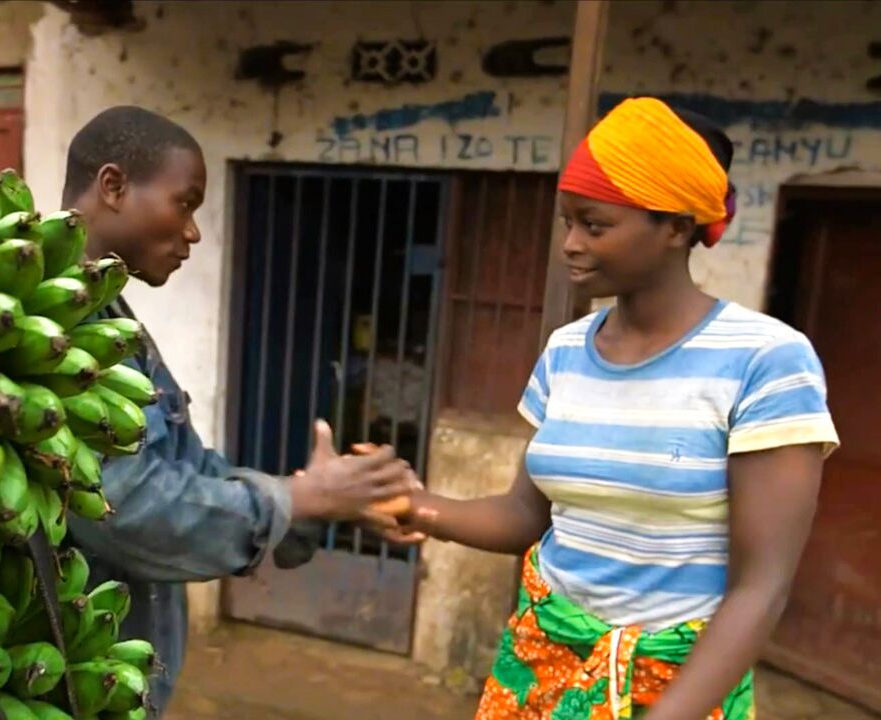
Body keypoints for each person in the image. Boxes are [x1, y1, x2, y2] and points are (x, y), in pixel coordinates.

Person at [381, 98, 839, 719]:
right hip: (539, 671)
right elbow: (525, 515)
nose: (570, 244)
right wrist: (415, 506)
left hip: (677, 689)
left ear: (676, 227)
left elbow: (761, 589)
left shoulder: (765, 359)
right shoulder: (567, 351)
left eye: (594, 226)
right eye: (567, 221)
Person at [58, 106, 415, 715]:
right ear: (113, 187)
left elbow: (186, 468)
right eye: (185, 203)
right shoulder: (55, 332)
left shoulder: (112, 319)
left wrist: (311, 495)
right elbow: (121, 506)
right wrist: (297, 501)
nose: (194, 232)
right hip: (61, 683)